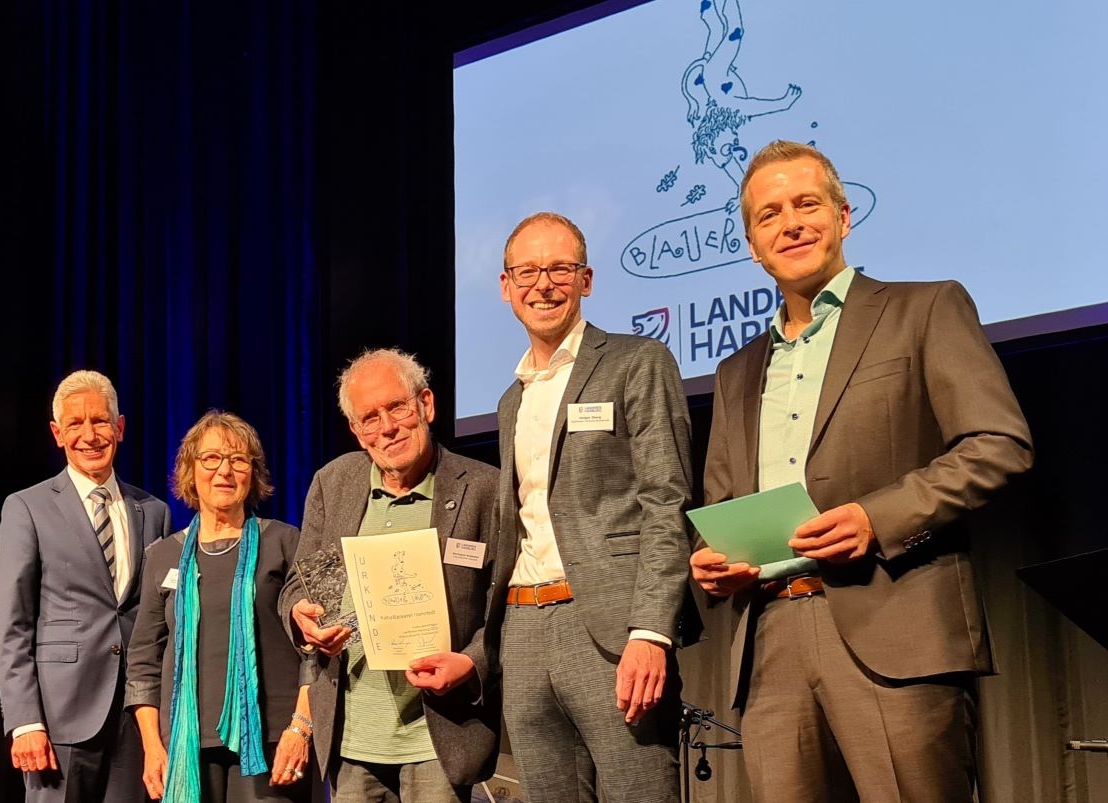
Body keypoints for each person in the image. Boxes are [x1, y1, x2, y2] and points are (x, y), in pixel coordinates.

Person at [690, 140, 1033, 802]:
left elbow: (998, 441)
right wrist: (710, 560)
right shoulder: (735, 370)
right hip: (771, 642)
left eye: (806, 204)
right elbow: (723, 503)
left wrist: (878, 518)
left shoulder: (924, 309)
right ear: (753, 245)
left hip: (893, 624)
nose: (790, 222)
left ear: (844, 217)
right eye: (769, 215)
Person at [493, 212, 696, 802]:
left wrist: (652, 632)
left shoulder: (636, 361)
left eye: (560, 268)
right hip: (525, 627)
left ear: (586, 279)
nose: (544, 284)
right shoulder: (512, 399)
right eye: (527, 271)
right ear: (506, 287)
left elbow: (667, 499)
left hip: (609, 627)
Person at [283, 348, 505, 802]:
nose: (387, 428)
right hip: (350, 735)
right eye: (370, 418)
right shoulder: (334, 482)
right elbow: (298, 584)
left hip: (437, 734)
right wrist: (301, 616)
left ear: (426, 404)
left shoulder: (485, 488)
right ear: (356, 431)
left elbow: (507, 609)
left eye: (397, 407)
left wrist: (471, 663)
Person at [0, 369, 172, 802]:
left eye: (100, 421)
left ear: (120, 427)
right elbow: (12, 622)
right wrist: (25, 722)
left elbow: (158, 622)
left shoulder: (154, 511)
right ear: (57, 433)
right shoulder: (26, 508)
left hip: (136, 717)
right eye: (75, 424)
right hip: (58, 719)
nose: (89, 435)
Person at [125, 411, 314, 802]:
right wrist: (152, 746)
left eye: (238, 459)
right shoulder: (163, 555)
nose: (224, 471)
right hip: (183, 746)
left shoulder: (284, 542)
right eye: (211, 458)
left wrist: (300, 728)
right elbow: (143, 659)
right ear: (191, 470)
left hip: (271, 744)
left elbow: (315, 651)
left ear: (253, 473)